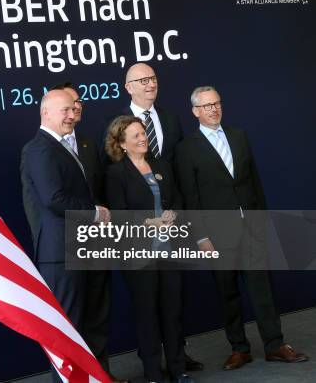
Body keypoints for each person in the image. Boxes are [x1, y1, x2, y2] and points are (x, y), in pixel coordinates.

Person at [174, 86, 309, 370]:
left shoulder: (239, 136)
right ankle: (239, 348)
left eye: (217, 103)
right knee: (228, 294)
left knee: (263, 289)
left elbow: (254, 182)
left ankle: (275, 344)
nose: (214, 109)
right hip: (216, 236)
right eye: (207, 106)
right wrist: (200, 237)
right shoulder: (186, 149)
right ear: (195, 111)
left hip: (251, 228)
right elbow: (190, 197)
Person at [20, 89, 127, 383]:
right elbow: (54, 199)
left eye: (74, 109)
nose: (71, 116)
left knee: (95, 326)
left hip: (86, 250)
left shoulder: (66, 146)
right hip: (61, 256)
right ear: (46, 113)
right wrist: (96, 213)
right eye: (65, 110)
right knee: (68, 336)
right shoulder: (39, 148)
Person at [102, 64, 202, 372]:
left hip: (169, 247)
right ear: (121, 142)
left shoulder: (161, 160)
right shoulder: (116, 173)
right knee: (147, 312)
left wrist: (173, 214)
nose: (142, 138)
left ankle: (177, 367)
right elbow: (118, 215)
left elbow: (176, 194)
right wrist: (149, 222)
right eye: (135, 135)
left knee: (173, 310)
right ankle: (153, 372)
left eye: (143, 133)